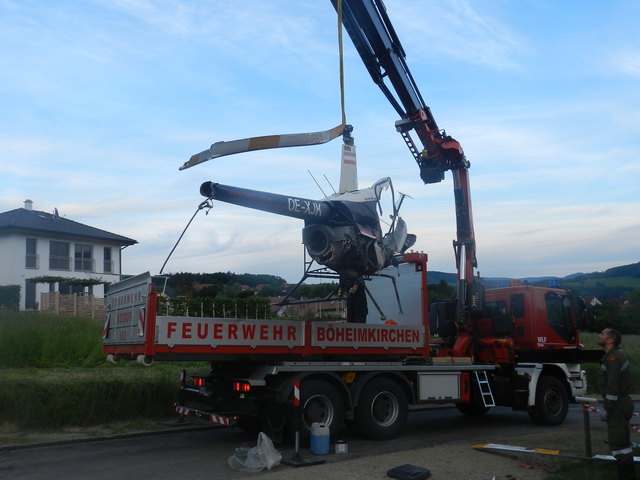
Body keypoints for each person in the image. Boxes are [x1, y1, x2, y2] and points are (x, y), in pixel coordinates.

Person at [598, 328, 636, 480]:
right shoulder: (612, 356)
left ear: (610, 340)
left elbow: (613, 387)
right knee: (621, 444)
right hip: (620, 403)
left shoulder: (613, 358)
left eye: (602, 334)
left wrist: (607, 408)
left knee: (619, 445)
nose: (599, 335)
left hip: (617, 406)